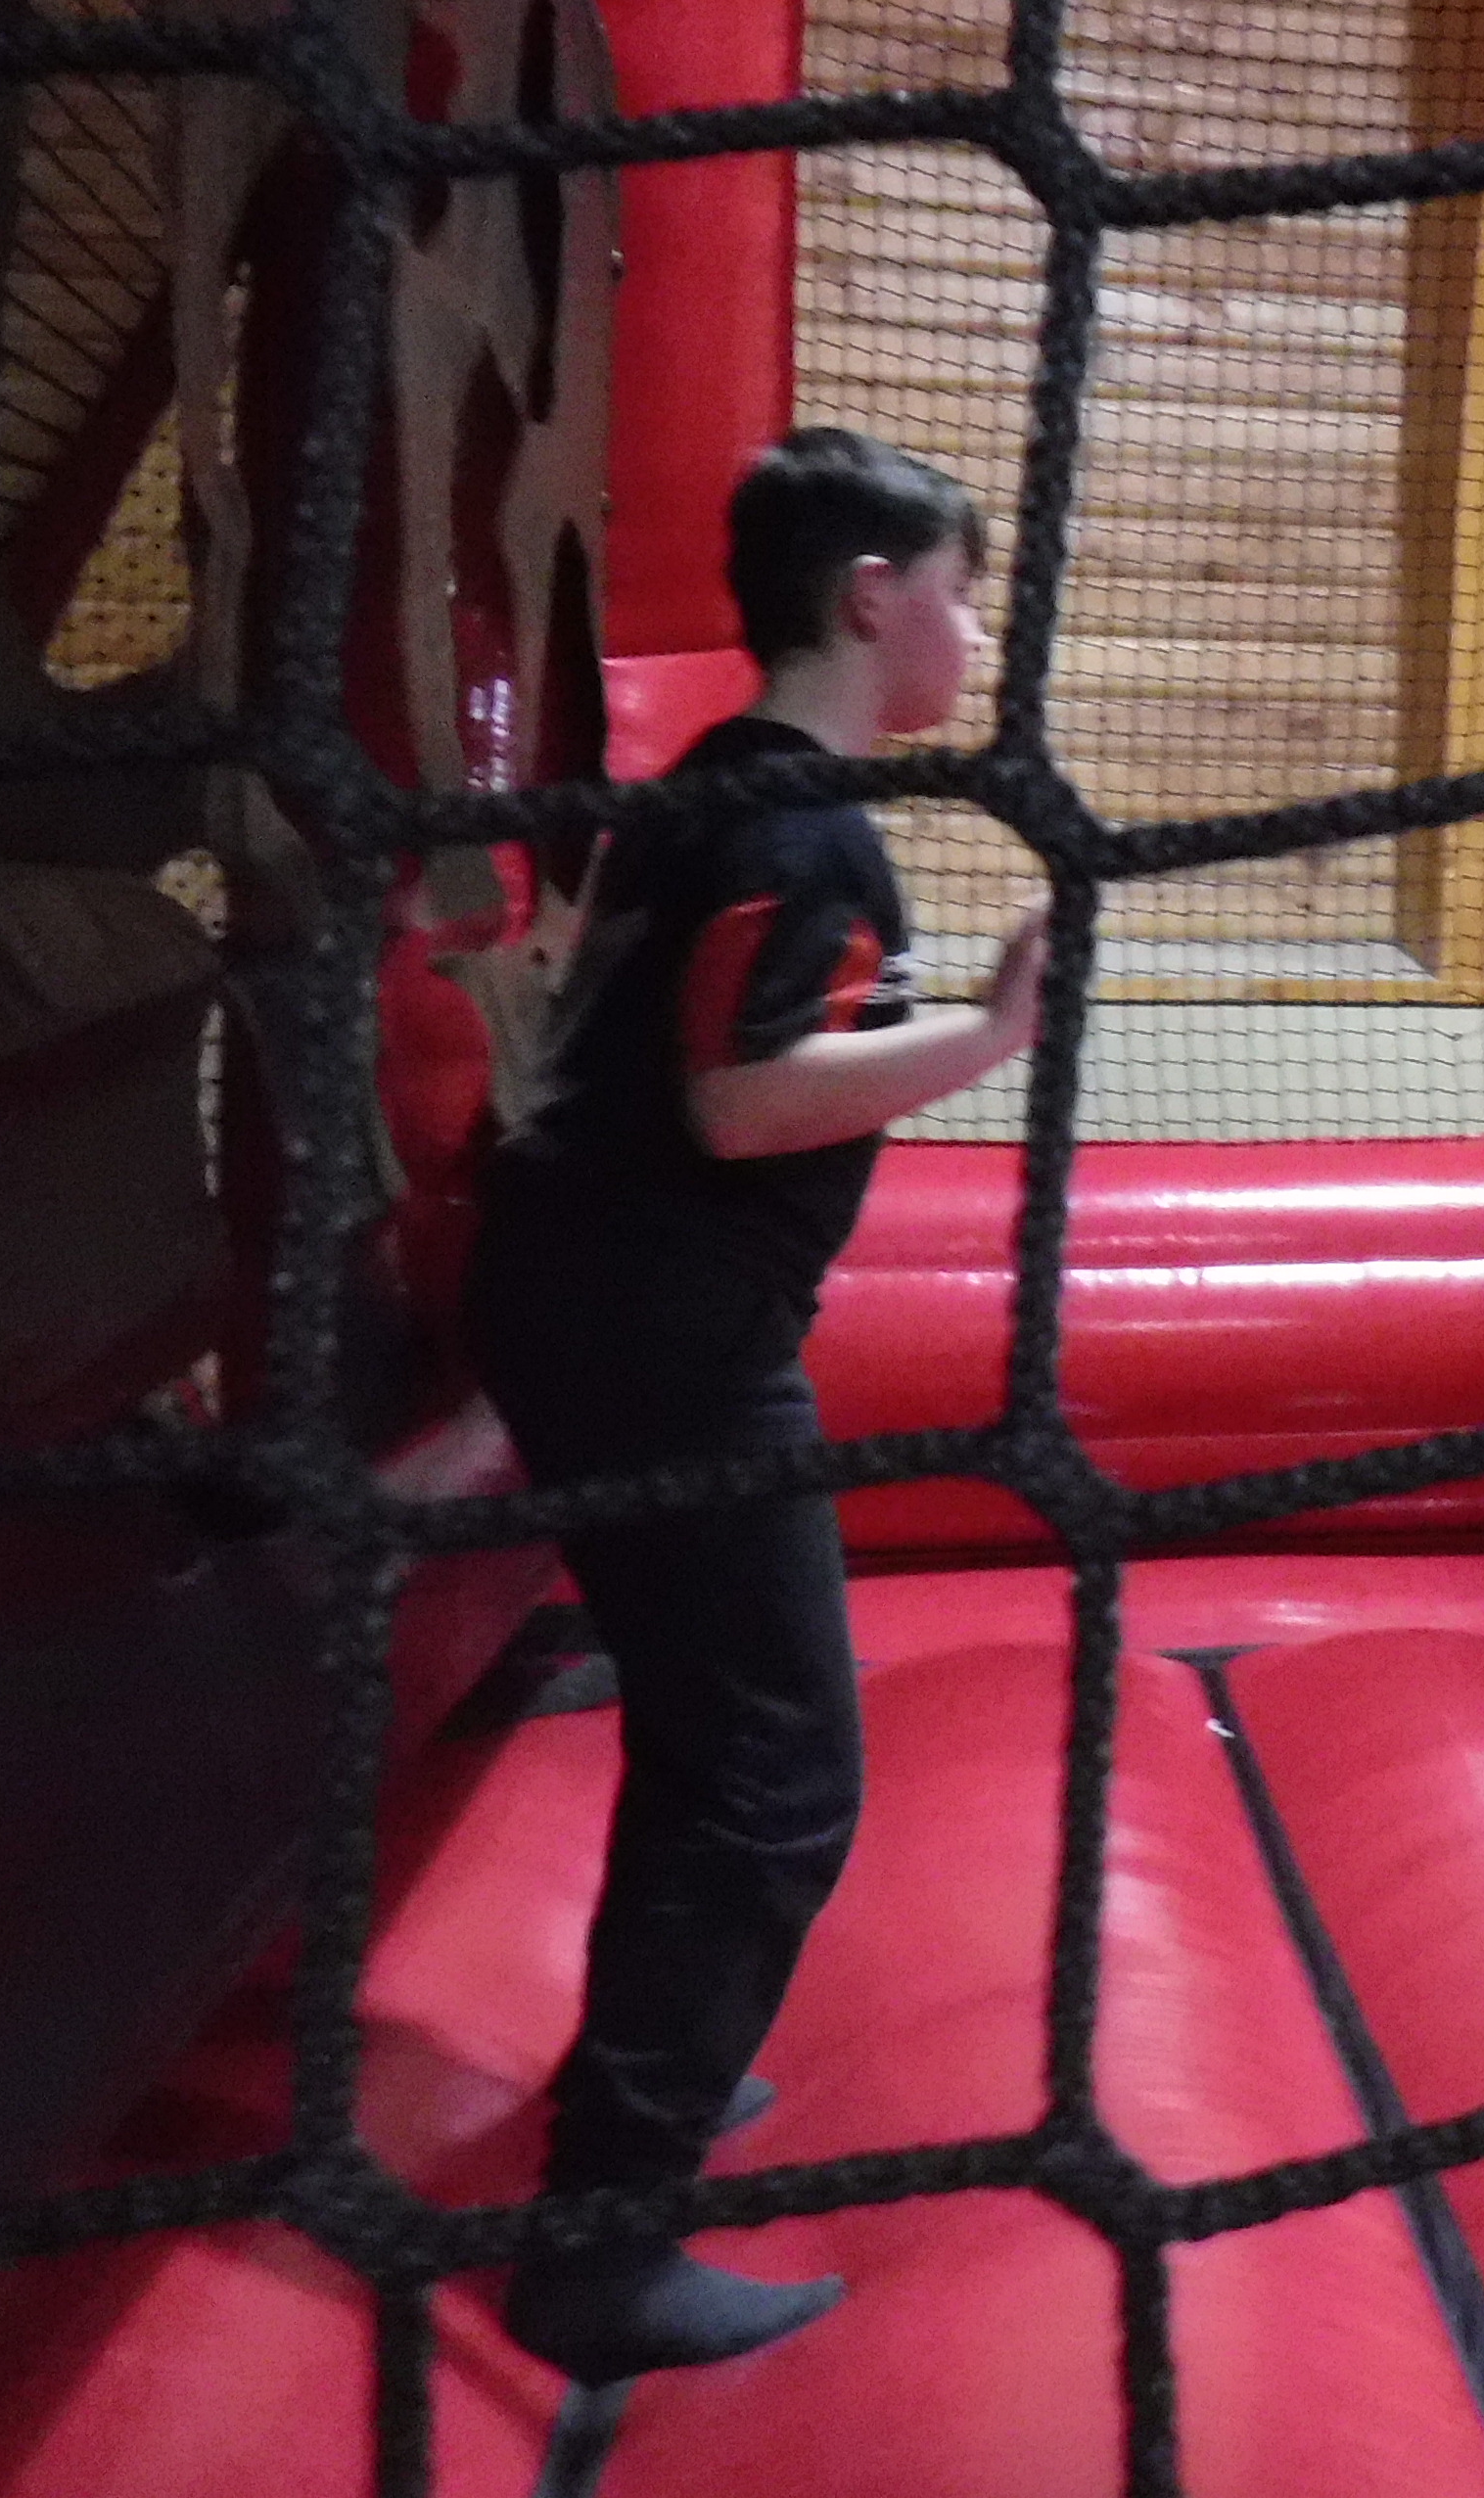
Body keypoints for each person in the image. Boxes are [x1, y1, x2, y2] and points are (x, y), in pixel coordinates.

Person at [465, 429, 1047, 2381]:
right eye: (958, 592)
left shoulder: (714, 790)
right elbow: (739, 1098)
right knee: (782, 1774)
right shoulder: (803, 830)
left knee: (707, 1732)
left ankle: (641, 2079)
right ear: (870, 595)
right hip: (666, 1340)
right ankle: (601, 2246)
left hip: (582, 1305)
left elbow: (697, 1050)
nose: (972, 633)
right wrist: (994, 1035)